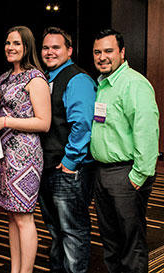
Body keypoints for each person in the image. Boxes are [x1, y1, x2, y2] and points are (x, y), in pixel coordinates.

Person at [91, 29, 159, 273]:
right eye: (97, 52)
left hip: (127, 174)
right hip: (104, 174)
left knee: (132, 244)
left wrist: (138, 176)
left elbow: (147, 132)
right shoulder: (104, 84)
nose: (102, 57)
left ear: (122, 52)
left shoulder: (134, 84)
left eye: (108, 51)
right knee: (110, 242)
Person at [0, 26, 51, 273]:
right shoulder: (4, 78)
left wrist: (5, 122)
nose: (10, 48)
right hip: (4, 155)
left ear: (27, 47)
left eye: (16, 43)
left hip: (26, 157)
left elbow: (43, 123)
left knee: (24, 217)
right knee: (12, 216)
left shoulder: (35, 78)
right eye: (7, 43)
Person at [38, 27, 96, 273]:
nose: (50, 52)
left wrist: (70, 161)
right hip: (49, 167)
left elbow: (82, 124)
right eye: (46, 48)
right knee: (55, 229)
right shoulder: (45, 78)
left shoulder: (77, 79)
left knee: (73, 230)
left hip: (68, 168)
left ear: (69, 50)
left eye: (56, 47)